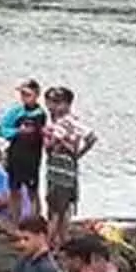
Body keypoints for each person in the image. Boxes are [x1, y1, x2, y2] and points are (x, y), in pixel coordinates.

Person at [44, 86, 97, 247]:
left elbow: (91, 137)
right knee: (63, 207)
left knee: (55, 210)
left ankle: (50, 244)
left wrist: (75, 151)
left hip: (62, 170)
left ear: (67, 104)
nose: (52, 106)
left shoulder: (66, 122)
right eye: (51, 102)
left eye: (57, 102)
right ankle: (62, 241)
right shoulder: (61, 121)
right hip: (60, 169)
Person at [0, 79, 47, 223]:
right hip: (15, 155)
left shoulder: (40, 114)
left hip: (31, 158)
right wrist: (17, 131)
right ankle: (15, 222)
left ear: (36, 95)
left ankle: (34, 222)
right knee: (14, 190)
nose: (24, 97)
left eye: (27, 94)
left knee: (32, 191)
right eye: (22, 94)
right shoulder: (15, 111)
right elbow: (2, 129)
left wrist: (22, 131)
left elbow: (36, 132)